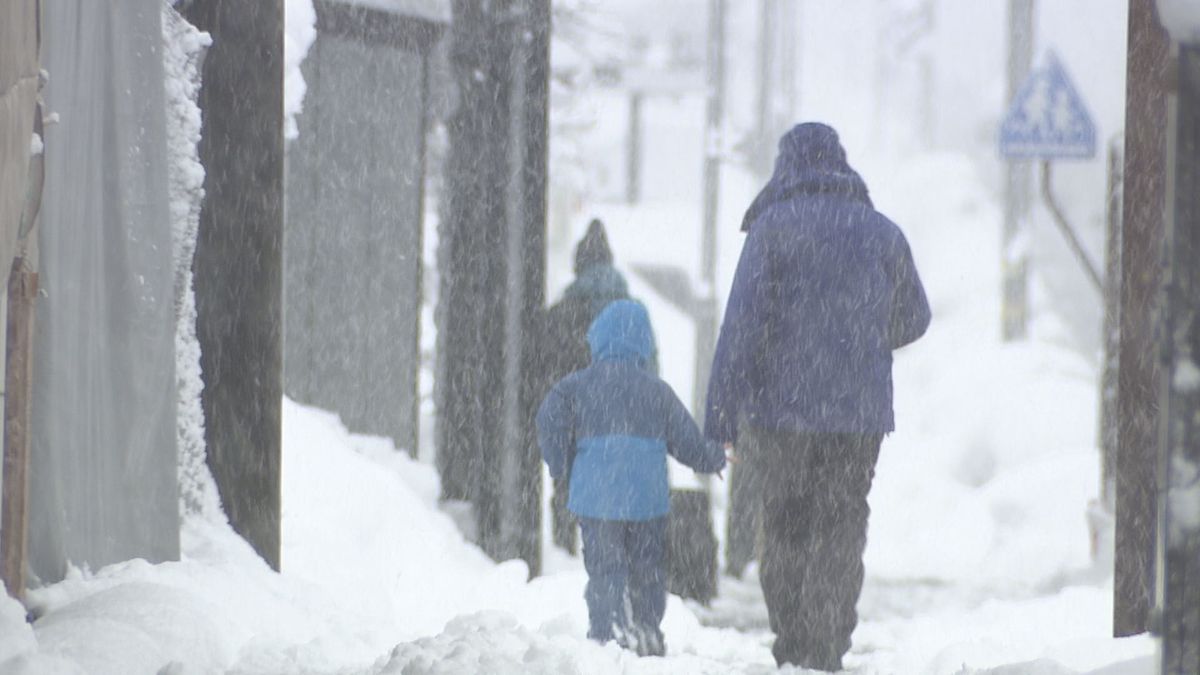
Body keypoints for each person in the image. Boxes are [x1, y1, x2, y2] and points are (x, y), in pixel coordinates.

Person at [704, 122, 930, 671]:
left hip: (780, 412)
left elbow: (741, 326)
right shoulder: (882, 233)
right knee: (842, 520)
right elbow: (916, 317)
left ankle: (793, 637)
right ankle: (828, 639)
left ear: (787, 166)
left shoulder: (772, 230)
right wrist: (867, 342)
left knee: (782, 518)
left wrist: (720, 416)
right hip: (857, 415)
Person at [537, 300, 725, 657]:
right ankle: (646, 629)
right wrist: (713, 456)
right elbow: (688, 443)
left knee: (605, 569)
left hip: (597, 499)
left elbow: (549, 420)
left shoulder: (575, 386)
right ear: (644, 343)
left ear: (598, 339)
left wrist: (559, 463)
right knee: (647, 568)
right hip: (646, 500)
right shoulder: (657, 392)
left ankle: (606, 635)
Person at [538, 218, 643, 554]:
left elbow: (545, 374)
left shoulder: (562, 311)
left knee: (569, 490)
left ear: (578, 266)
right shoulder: (633, 314)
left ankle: (565, 555)